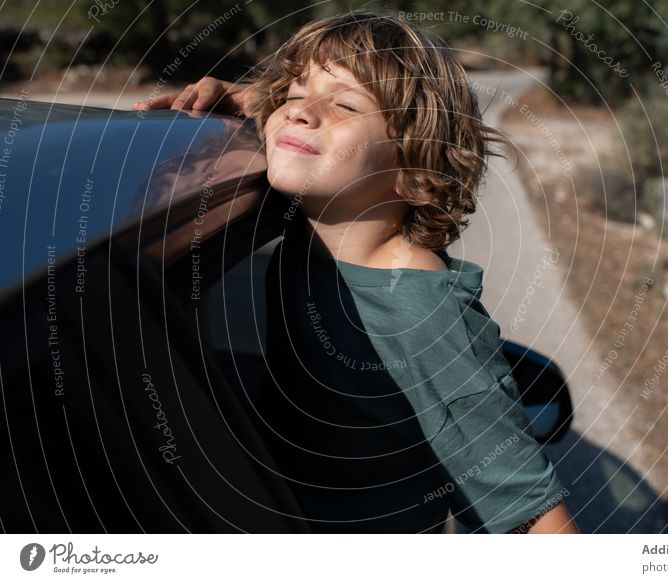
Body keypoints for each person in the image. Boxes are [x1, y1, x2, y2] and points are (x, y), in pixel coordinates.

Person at [133, 10, 579, 534]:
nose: (299, 113)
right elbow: (317, 135)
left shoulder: (422, 315)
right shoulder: (316, 217)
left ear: (414, 172)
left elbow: (533, 521)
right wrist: (254, 101)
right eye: (294, 95)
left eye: (345, 103)